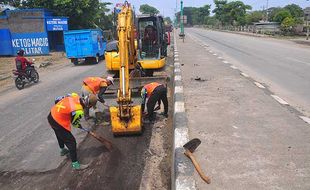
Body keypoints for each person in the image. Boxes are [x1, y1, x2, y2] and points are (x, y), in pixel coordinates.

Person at [47, 93, 88, 170]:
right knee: (71, 142)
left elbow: (58, 99)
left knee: (59, 134)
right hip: (58, 121)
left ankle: (63, 150)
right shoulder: (79, 111)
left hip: (51, 115)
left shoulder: (74, 96)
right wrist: (80, 126)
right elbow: (74, 123)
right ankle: (75, 165)